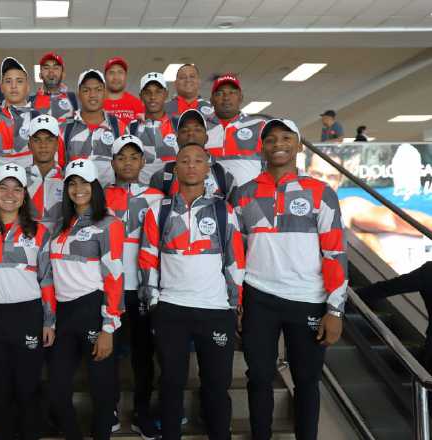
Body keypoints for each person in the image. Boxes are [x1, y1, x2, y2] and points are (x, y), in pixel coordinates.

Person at [233, 119, 347, 440]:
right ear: (262, 146)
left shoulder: (321, 193)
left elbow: (335, 254)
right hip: (259, 297)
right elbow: (235, 255)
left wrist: (335, 310)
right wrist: (236, 301)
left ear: (299, 145)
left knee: (307, 380)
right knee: (258, 377)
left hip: (308, 299)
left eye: (286, 138)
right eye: (270, 139)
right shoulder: (244, 194)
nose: (277, 144)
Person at [139, 140, 245, 440]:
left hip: (215, 311)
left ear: (207, 167)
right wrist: (155, 303)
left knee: (216, 384)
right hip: (171, 309)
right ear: (176, 167)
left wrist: (234, 303)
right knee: (171, 383)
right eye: (184, 160)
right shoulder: (157, 211)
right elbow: (147, 259)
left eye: (198, 160)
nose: (191, 166)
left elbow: (235, 261)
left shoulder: (223, 210)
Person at [0, 162, 55, 440]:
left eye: (17, 188)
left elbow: (46, 279)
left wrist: (49, 320)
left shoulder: (40, 232)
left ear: (24, 195)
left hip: (27, 316)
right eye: (3, 187)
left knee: (27, 386)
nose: (10, 194)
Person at [48, 158, 125, 440]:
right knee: (57, 388)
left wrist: (108, 327)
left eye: (84, 182)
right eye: (72, 182)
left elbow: (115, 277)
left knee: (102, 388)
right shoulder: (60, 225)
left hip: (93, 309)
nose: (78, 188)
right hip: (63, 314)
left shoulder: (109, 223)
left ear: (95, 186)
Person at [104, 135, 164, 439]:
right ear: (112, 162)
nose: (127, 163)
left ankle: (142, 410)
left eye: (134, 157)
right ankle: (109, 407)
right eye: (121, 157)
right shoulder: (99, 195)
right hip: (109, 288)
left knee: (143, 353)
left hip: (142, 288)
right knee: (108, 352)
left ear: (143, 162)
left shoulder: (157, 196)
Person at [150, 109, 236, 199]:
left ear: (206, 138)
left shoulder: (222, 174)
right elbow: (156, 209)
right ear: (177, 139)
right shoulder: (162, 176)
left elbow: (231, 210)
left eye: (197, 129)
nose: (191, 133)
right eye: (184, 130)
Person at [62, 69, 126, 187]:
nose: (92, 95)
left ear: (105, 93)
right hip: (77, 198)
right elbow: (60, 167)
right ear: (79, 94)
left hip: (109, 200)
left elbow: (125, 169)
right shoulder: (65, 127)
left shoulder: (119, 127)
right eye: (86, 90)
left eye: (98, 90)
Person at [0, 57, 41, 168]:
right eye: (8, 81)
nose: (13, 86)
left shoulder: (38, 118)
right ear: (1, 87)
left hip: (32, 184)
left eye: (19, 81)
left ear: (27, 87)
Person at [206, 73, 265, 187]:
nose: (226, 97)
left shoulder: (259, 126)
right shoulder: (200, 128)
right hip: (212, 201)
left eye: (232, 92)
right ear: (212, 100)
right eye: (220, 93)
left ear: (241, 98)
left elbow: (270, 165)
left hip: (248, 200)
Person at [128, 72, 179, 184]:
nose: (153, 97)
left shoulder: (179, 125)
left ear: (166, 94)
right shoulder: (131, 128)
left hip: (173, 193)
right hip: (142, 195)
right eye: (147, 92)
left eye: (158, 92)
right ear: (140, 96)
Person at [25, 114, 64, 232]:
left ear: (57, 144)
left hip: (58, 246)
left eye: (49, 139)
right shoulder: (19, 178)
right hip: (27, 245)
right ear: (29, 145)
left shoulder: (68, 179)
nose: (43, 145)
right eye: (37, 140)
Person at [29, 52, 79, 123]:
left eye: (56, 68)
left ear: (63, 74)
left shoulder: (75, 99)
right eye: (46, 68)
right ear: (40, 75)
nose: (51, 71)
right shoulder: (30, 101)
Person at [102, 57, 144, 125]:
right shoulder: (96, 104)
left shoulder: (137, 105)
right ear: (105, 76)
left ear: (125, 75)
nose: (116, 77)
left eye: (120, 72)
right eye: (111, 73)